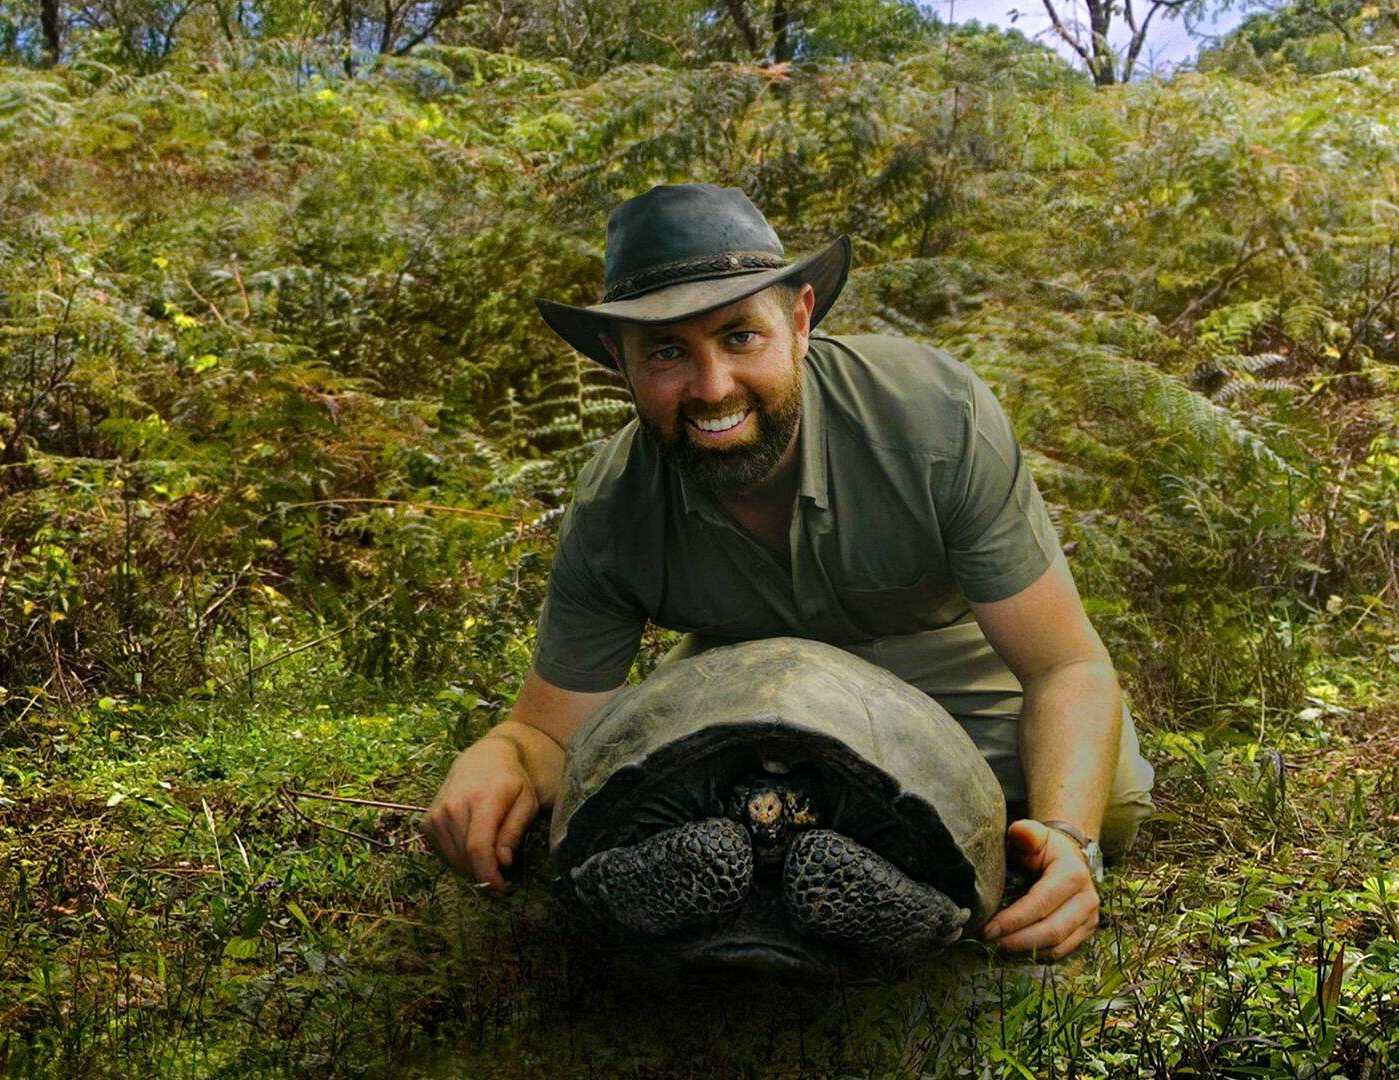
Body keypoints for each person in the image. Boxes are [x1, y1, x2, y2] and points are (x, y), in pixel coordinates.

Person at [421, 183, 1156, 961]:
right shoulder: (615, 505)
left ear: (801, 321)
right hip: (736, 679)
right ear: (619, 361)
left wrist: (1072, 841)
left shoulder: (933, 417)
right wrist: (499, 756)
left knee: (1108, 798)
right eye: (667, 352)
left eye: (740, 337)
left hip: (935, 655)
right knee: (591, 800)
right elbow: (545, 731)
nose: (712, 388)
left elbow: (1064, 666)